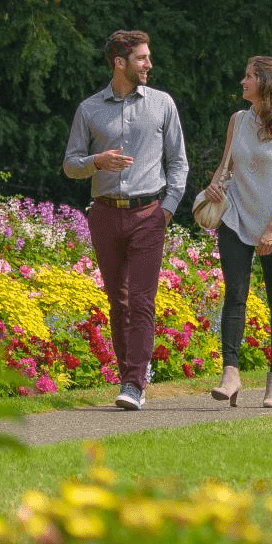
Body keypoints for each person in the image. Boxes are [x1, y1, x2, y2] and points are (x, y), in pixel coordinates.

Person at [64, 29, 189, 410]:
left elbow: (178, 163)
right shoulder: (89, 109)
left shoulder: (162, 104)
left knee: (141, 300)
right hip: (104, 214)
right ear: (120, 63)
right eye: (141, 58)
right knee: (117, 302)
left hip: (149, 214)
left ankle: (135, 384)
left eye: (148, 58)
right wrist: (97, 162)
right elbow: (71, 165)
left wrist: (167, 209)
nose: (149, 64)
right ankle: (128, 378)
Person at [202, 56, 272, 409]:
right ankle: (230, 374)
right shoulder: (238, 120)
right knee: (235, 294)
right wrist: (215, 187)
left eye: (248, 77)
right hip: (235, 217)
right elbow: (225, 167)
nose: (242, 82)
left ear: (266, 84)